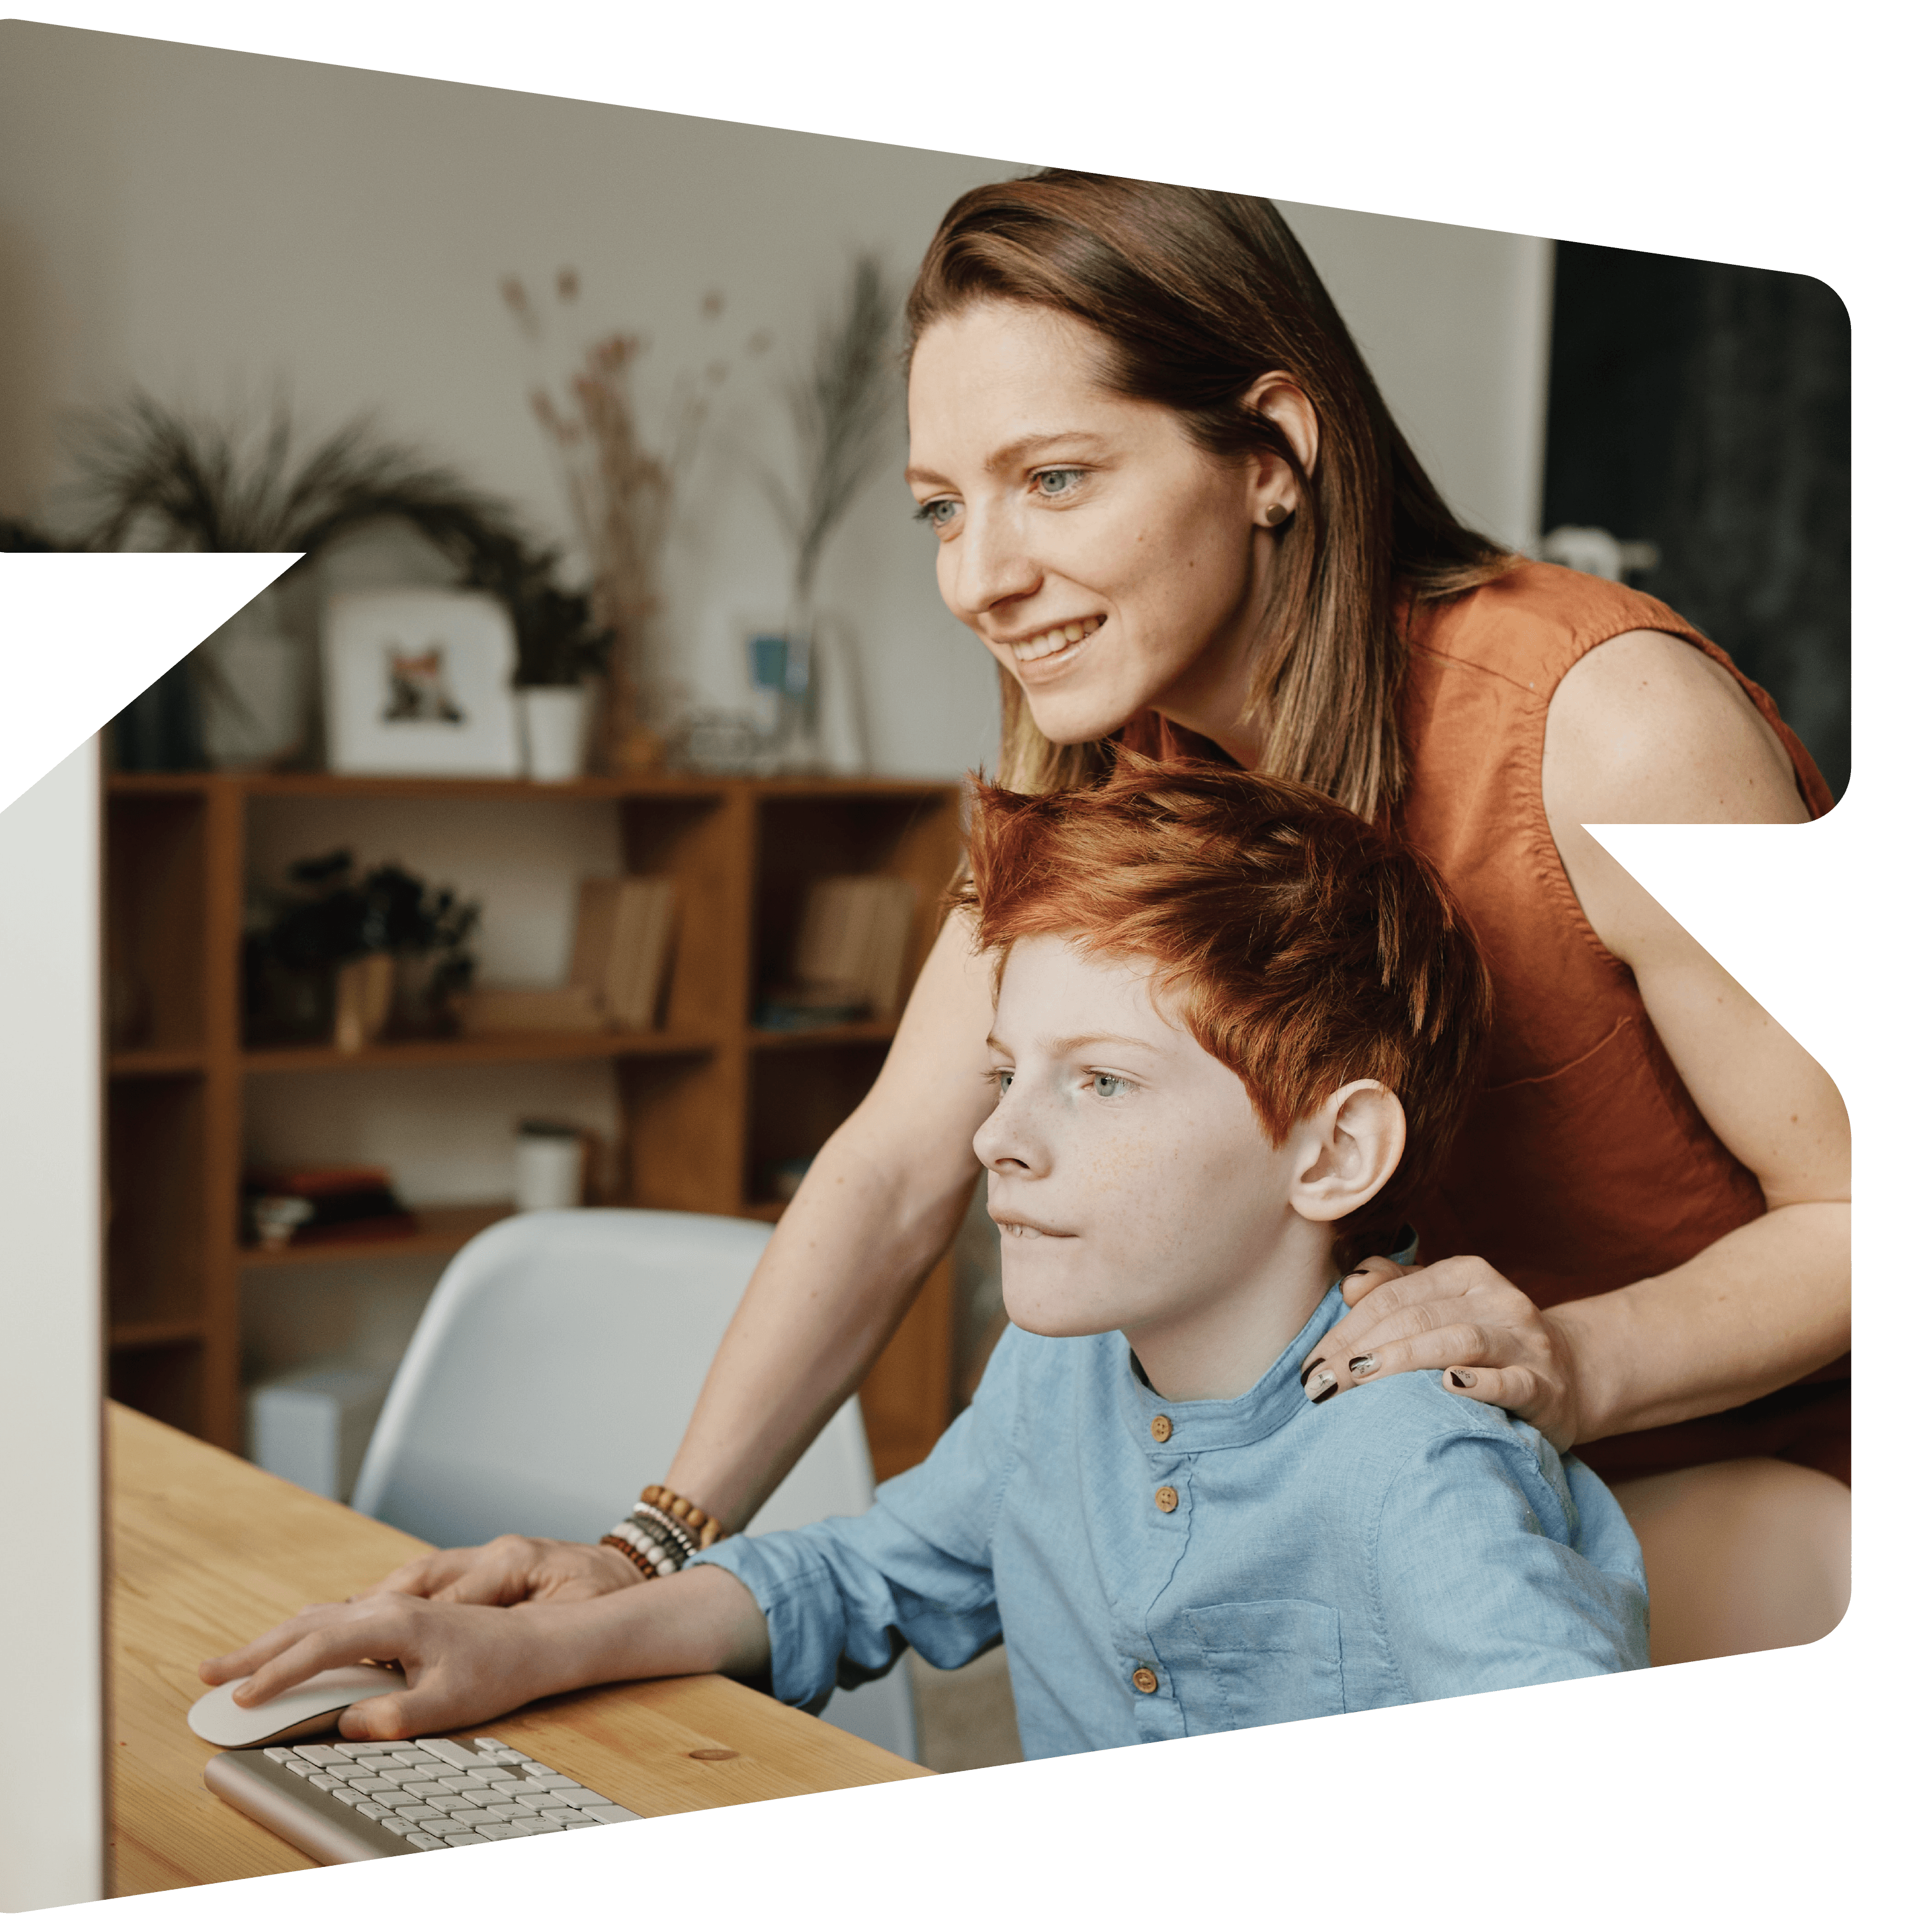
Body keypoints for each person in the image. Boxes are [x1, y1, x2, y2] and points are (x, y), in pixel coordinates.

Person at [365, 172, 1850, 1666]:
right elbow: (893, 1163)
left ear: (1272, 451)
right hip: (1365, 1495)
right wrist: (647, 1547)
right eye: (942, 507)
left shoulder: (1611, 724)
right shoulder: (1092, 762)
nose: (979, 579)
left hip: (1731, 1507)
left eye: (1055, 480)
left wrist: (1567, 1358)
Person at [203, 764, 1647, 1749]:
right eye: (1006, 1074)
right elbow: (857, 1577)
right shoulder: (1052, 1377)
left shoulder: (1415, 1466)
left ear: (1329, 1156)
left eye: (1097, 1082)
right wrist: (536, 1652)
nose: (995, 1143)